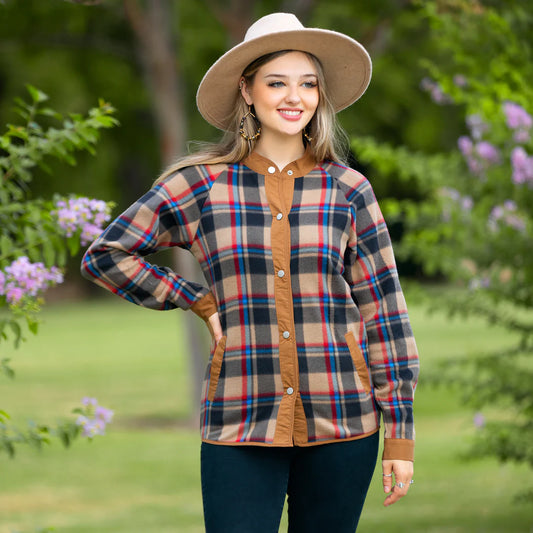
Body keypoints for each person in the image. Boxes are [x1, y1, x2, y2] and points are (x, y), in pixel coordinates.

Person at [81, 12, 419, 533]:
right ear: (247, 90)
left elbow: (385, 312)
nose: (294, 97)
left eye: (308, 84)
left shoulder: (349, 190)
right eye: (277, 82)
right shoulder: (200, 186)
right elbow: (107, 255)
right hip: (240, 418)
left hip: (344, 418)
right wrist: (195, 298)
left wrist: (399, 435)